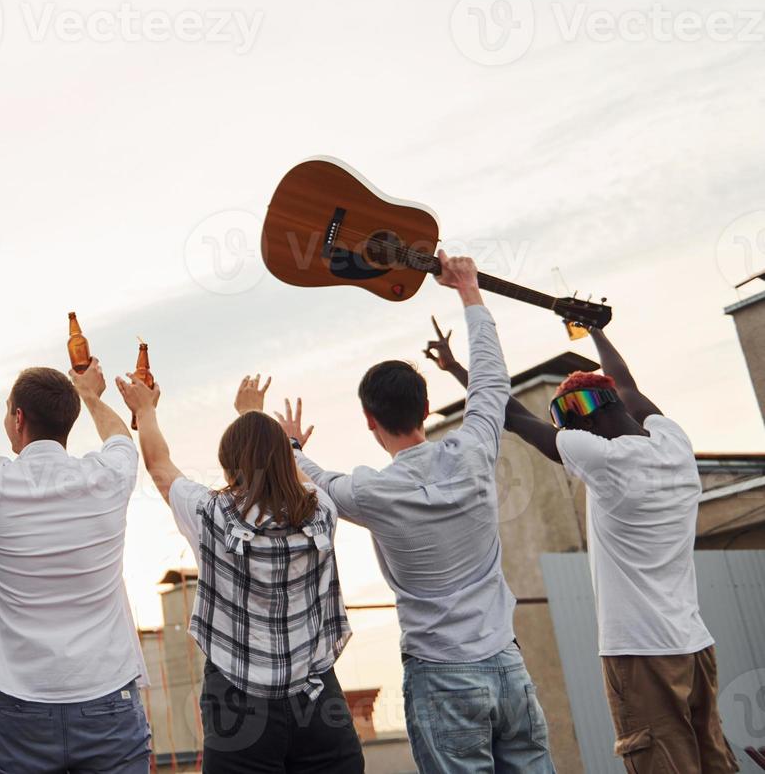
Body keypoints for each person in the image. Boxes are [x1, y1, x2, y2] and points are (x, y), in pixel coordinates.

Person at [427, 320, 739, 774]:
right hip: (695, 645)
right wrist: (596, 330)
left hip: (639, 650)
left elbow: (512, 416)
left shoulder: (604, 459)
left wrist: (457, 368)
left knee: (660, 762)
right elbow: (627, 384)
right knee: (714, 761)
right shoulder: (675, 443)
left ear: (584, 422)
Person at [294, 252, 555, 774]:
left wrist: (292, 447)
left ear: (370, 420)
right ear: (424, 405)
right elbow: (490, 383)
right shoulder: (475, 451)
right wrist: (469, 292)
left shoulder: (371, 492)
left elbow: (315, 483)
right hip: (508, 664)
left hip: (441, 675)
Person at [116, 369, 364, 774]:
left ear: (228, 466)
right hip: (319, 701)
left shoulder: (211, 515)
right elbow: (300, 480)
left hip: (238, 706)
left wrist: (144, 410)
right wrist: (264, 423)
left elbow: (159, 466)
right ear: (286, 458)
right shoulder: (322, 512)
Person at [0, 334, 151, 774]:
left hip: (21, 709)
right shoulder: (109, 478)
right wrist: (91, 395)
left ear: (18, 418)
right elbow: (121, 437)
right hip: (107, 699)